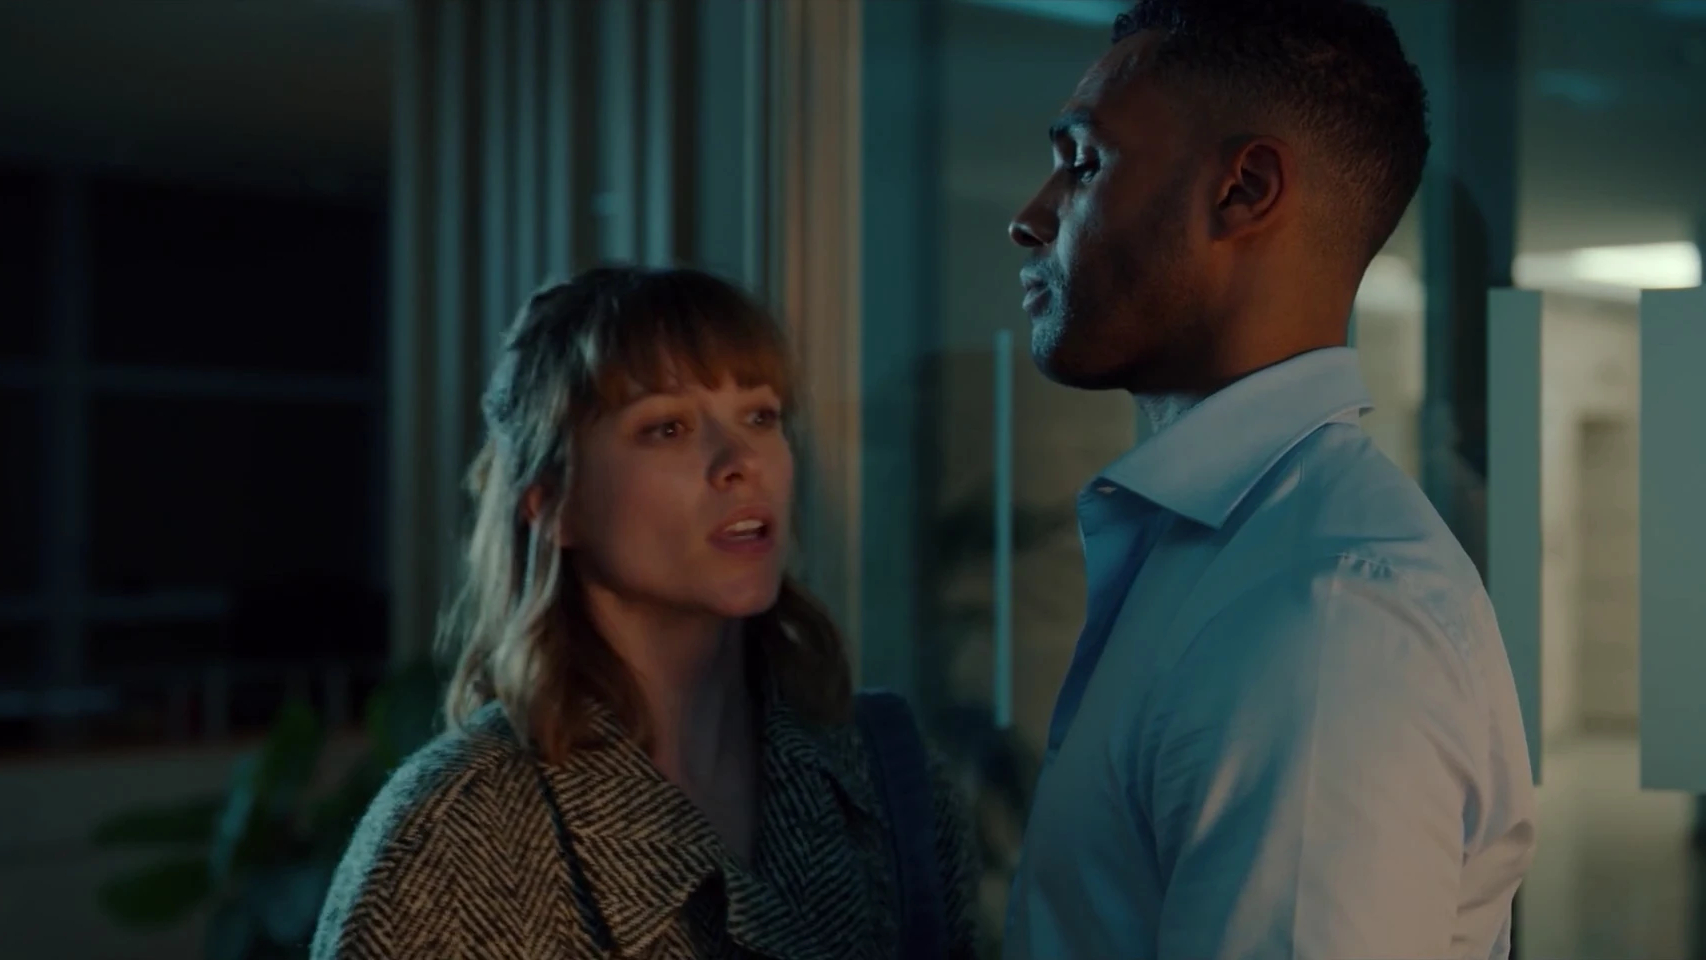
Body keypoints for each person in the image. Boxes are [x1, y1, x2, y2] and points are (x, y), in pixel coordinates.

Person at [1001, 2, 1536, 959]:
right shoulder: (1228, 549)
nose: (1030, 217)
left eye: (1082, 163)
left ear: (1243, 189)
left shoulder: (1327, 617)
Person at [312, 265, 980, 959]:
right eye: (668, 428)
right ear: (553, 505)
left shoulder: (890, 779)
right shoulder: (451, 837)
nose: (740, 460)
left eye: (760, 416)